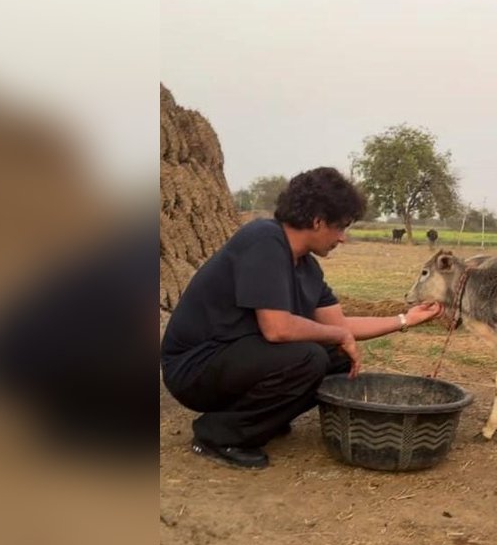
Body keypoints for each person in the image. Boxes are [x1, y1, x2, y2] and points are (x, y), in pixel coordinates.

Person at [160, 167, 443, 469]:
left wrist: (405, 319)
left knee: (338, 359)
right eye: (340, 227)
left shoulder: (306, 268)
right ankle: (218, 435)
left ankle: (261, 419)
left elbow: (340, 327)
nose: (343, 239)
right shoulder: (264, 240)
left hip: (235, 358)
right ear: (318, 221)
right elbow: (277, 329)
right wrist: (338, 336)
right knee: (308, 357)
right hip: (194, 368)